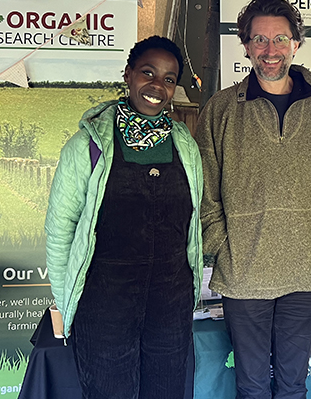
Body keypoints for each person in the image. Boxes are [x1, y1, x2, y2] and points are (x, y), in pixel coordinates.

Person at [195, 0, 311, 399]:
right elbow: (203, 186)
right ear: (245, 46)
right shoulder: (222, 108)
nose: (270, 51)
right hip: (245, 273)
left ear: (296, 44)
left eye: (280, 39)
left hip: (308, 271)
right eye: (260, 40)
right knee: (250, 385)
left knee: (292, 384)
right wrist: (221, 244)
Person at [44, 35, 203, 399]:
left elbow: (192, 223)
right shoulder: (87, 146)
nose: (157, 86)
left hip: (170, 304)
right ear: (129, 75)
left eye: (168, 79)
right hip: (104, 306)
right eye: (148, 73)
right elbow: (59, 232)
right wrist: (68, 300)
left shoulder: (185, 146)